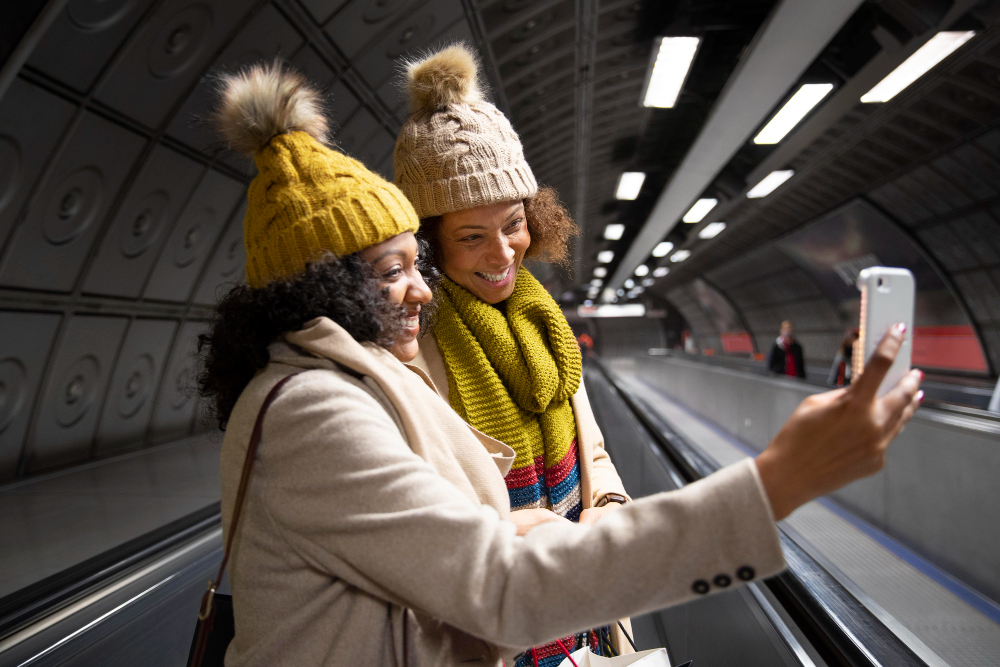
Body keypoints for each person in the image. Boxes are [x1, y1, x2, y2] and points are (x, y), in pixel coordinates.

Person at [199, 63, 924, 667]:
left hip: (571, 622)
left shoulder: (529, 331)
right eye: (396, 270)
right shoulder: (320, 408)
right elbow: (497, 584)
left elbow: (525, 503)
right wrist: (778, 483)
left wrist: (580, 520)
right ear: (328, 290)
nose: (422, 288)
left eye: (513, 224)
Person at [392, 46, 634, 657]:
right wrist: (501, 532)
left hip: (585, 624)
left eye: (514, 224)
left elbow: (593, 453)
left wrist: (609, 508)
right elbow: (396, 526)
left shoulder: (545, 326)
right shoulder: (408, 354)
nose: (503, 254)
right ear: (429, 244)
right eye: (472, 236)